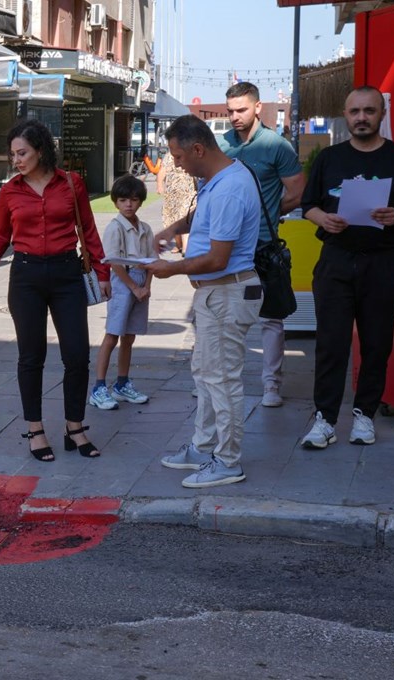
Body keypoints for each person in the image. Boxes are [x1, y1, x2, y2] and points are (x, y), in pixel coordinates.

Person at [0, 118, 111, 462]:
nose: (16, 160)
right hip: (26, 276)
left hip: (67, 274)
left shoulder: (72, 183)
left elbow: (88, 231)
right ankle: (35, 429)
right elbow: (3, 235)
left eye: (22, 153)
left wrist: (103, 273)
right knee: (32, 357)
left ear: (41, 150)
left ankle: (74, 427)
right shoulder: (9, 191)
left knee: (77, 355)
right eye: (12, 154)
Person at [299, 85, 394, 449]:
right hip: (336, 262)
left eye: (369, 111)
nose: (361, 117)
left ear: (381, 114)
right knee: (330, 343)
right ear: (345, 114)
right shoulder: (329, 158)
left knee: (376, 344)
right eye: (355, 111)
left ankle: (364, 416)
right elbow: (308, 204)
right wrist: (322, 220)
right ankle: (324, 420)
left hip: (383, 263)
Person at [143, 114, 262, 488]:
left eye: (177, 156)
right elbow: (202, 216)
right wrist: (174, 228)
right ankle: (202, 445)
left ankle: (227, 461)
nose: (175, 163)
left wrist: (170, 268)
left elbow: (217, 259)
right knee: (207, 374)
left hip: (227, 291)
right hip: (217, 294)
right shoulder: (221, 178)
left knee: (222, 380)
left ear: (198, 149)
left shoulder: (228, 187)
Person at [217, 82, 306, 409]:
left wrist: (270, 211)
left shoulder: (275, 146)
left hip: (263, 247)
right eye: (230, 111)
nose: (234, 117)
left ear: (257, 107)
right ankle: (224, 382)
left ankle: (271, 384)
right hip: (226, 248)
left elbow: (297, 191)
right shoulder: (222, 144)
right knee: (226, 318)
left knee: (270, 318)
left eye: (240, 109)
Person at [91, 174, 156, 410]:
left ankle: (121, 382)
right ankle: (99, 386)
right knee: (113, 334)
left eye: (134, 199)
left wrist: (146, 286)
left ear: (141, 201)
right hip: (123, 280)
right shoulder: (115, 227)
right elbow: (114, 263)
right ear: (115, 202)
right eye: (123, 200)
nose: (129, 204)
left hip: (140, 279)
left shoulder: (145, 228)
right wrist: (134, 287)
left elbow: (151, 260)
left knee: (130, 336)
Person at [156, 149, 195, 255]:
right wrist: (160, 185)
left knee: (185, 216)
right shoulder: (169, 155)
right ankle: (178, 245)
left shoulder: (190, 153)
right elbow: (162, 170)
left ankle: (186, 248)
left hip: (188, 191)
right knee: (173, 219)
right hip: (172, 193)